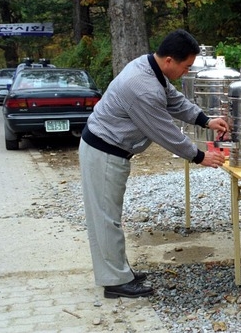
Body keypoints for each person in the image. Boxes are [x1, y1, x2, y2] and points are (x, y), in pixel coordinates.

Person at [79, 29, 228, 299]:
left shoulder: (151, 68)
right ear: (170, 60)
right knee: (106, 219)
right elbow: (164, 132)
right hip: (103, 152)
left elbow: (174, 100)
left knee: (110, 216)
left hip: (112, 150)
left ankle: (119, 270)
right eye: (186, 67)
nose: (186, 72)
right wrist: (200, 156)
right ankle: (115, 281)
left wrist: (205, 119)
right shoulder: (142, 87)